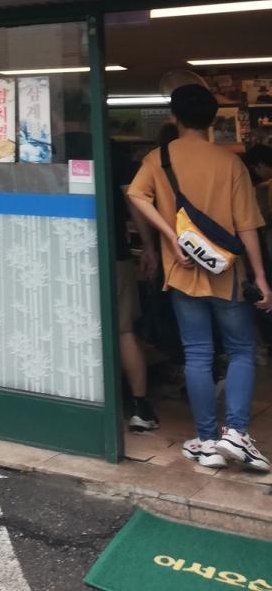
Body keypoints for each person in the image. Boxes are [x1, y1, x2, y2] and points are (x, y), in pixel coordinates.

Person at [128, 83, 272, 472]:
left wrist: (170, 237)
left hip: (182, 272)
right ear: (211, 120)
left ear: (174, 117)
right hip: (227, 275)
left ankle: (207, 441)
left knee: (197, 353)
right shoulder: (230, 163)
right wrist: (261, 276)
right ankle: (236, 433)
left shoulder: (159, 159)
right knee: (240, 350)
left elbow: (136, 196)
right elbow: (247, 225)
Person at [110, 140, 160, 430]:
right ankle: (140, 406)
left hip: (61, 255)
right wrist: (149, 247)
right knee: (124, 330)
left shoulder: (50, 145)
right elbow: (134, 199)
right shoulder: (113, 152)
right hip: (113, 253)